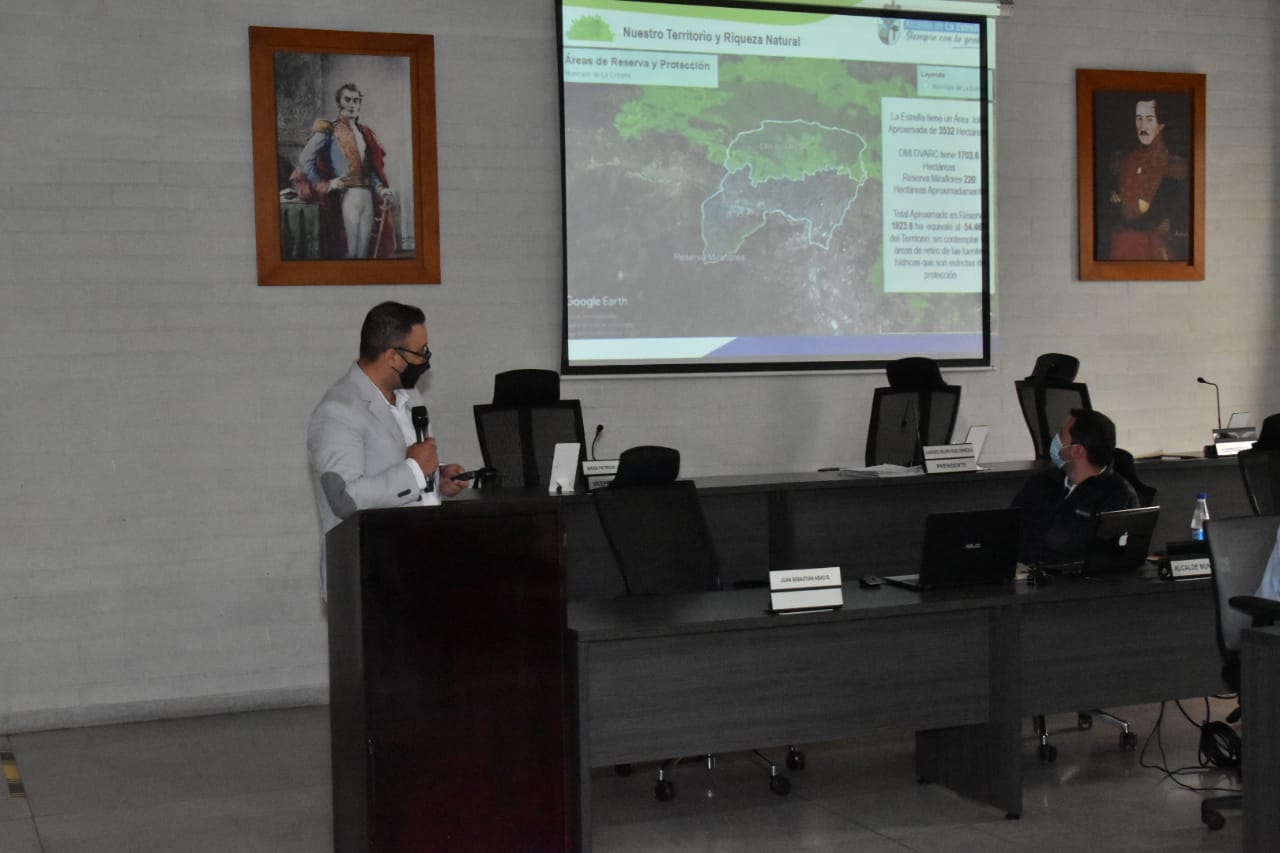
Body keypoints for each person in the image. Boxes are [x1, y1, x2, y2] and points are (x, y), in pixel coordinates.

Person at [307, 301, 469, 598]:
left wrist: (437, 477)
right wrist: (415, 471)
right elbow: (344, 498)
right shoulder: (338, 410)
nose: (425, 360)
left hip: (421, 565)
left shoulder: (411, 396)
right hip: (369, 576)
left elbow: (400, 465)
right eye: (421, 352)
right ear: (393, 356)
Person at [1012, 408, 1138, 566]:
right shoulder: (1042, 482)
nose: (1055, 440)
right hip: (1027, 573)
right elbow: (1012, 529)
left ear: (1077, 451)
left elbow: (1098, 557)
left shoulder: (1118, 497)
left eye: (1061, 435)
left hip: (1074, 579)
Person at [295, 83, 397, 259]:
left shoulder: (364, 132)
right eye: (347, 100)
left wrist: (381, 188)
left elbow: (369, 169)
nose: (352, 104)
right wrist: (325, 184)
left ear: (360, 103)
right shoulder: (329, 129)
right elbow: (305, 159)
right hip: (347, 196)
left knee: (363, 253)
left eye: (356, 100)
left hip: (367, 196)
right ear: (339, 103)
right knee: (350, 251)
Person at [1104, 96, 1189, 261]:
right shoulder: (1128, 162)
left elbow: (1183, 211)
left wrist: (1170, 226)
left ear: (1160, 125)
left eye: (1149, 119)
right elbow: (1116, 207)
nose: (1143, 126)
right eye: (1139, 119)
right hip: (1127, 242)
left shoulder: (1174, 164)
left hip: (1159, 246)